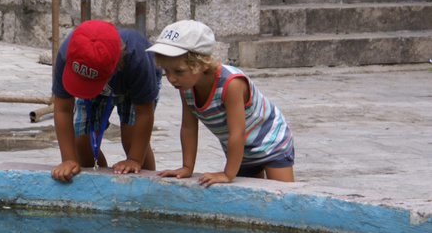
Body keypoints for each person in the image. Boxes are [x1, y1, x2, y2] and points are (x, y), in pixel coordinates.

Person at [146, 20, 295, 186]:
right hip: (242, 151)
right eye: (167, 71)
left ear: (202, 63)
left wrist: (227, 174)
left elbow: (237, 132)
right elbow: (188, 127)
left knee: (283, 193)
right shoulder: (186, 87)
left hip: (271, 143)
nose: (172, 78)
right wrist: (187, 167)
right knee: (254, 200)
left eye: (179, 71)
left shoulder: (231, 84)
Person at [51, 20, 162, 183]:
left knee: (132, 139)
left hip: (134, 88)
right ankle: (100, 186)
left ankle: (147, 187)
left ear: (115, 68)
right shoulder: (68, 52)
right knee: (82, 143)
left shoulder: (138, 57)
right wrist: (68, 159)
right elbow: (62, 109)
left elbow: (144, 113)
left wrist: (134, 160)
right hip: (98, 88)